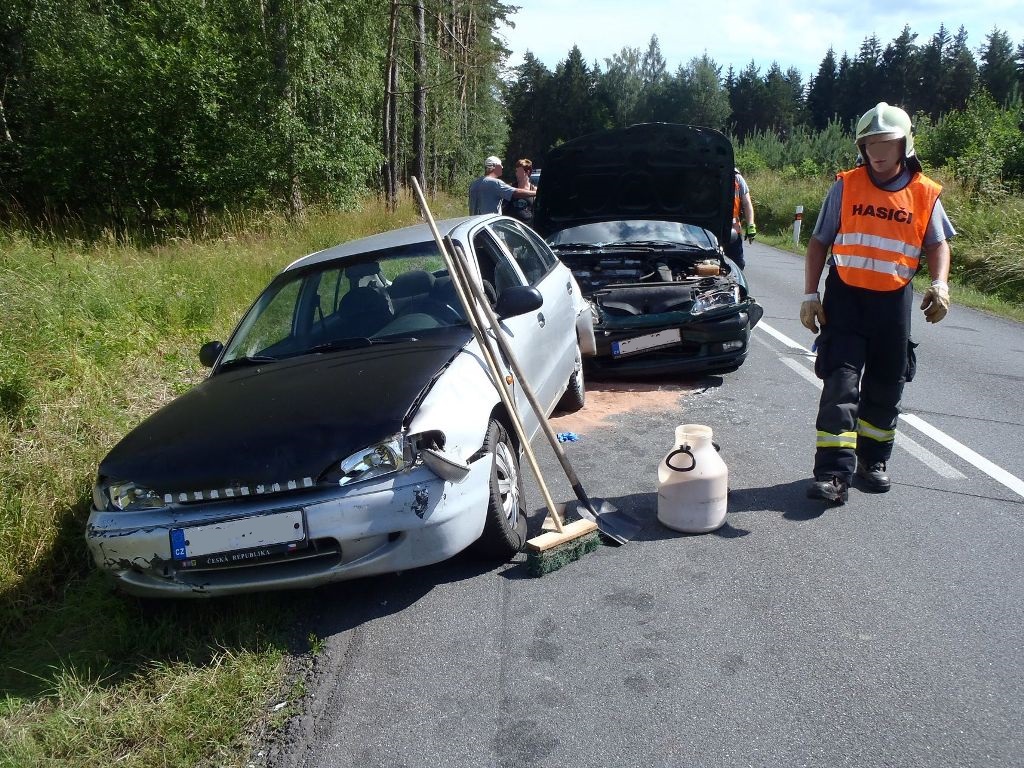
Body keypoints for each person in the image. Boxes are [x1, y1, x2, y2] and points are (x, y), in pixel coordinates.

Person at [800, 102, 954, 505]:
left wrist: (940, 284)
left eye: (887, 142)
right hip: (847, 300)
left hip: (892, 305)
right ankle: (833, 474)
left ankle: (873, 461)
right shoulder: (846, 185)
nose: (878, 152)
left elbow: (938, 244)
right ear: (861, 147)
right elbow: (819, 241)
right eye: (870, 144)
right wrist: (809, 294)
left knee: (887, 384)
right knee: (841, 386)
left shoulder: (925, 193)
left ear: (905, 144)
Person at [468, 156, 536, 215]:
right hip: (490, 225)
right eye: (500, 167)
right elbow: (515, 193)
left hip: (476, 225)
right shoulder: (496, 183)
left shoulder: (474, 184)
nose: (502, 169)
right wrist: (537, 193)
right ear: (495, 167)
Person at [725, 168, 756, 269]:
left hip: (733, 231)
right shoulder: (705, 174)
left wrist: (751, 224)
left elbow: (747, 203)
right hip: (709, 231)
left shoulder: (737, 178)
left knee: (738, 265)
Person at [503, 158, 537, 224]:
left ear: (528, 172)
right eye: (516, 171)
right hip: (511, 227)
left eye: (519, 171)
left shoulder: (534, 189)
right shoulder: (510, 187)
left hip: (528, 227)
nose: (517, 174)